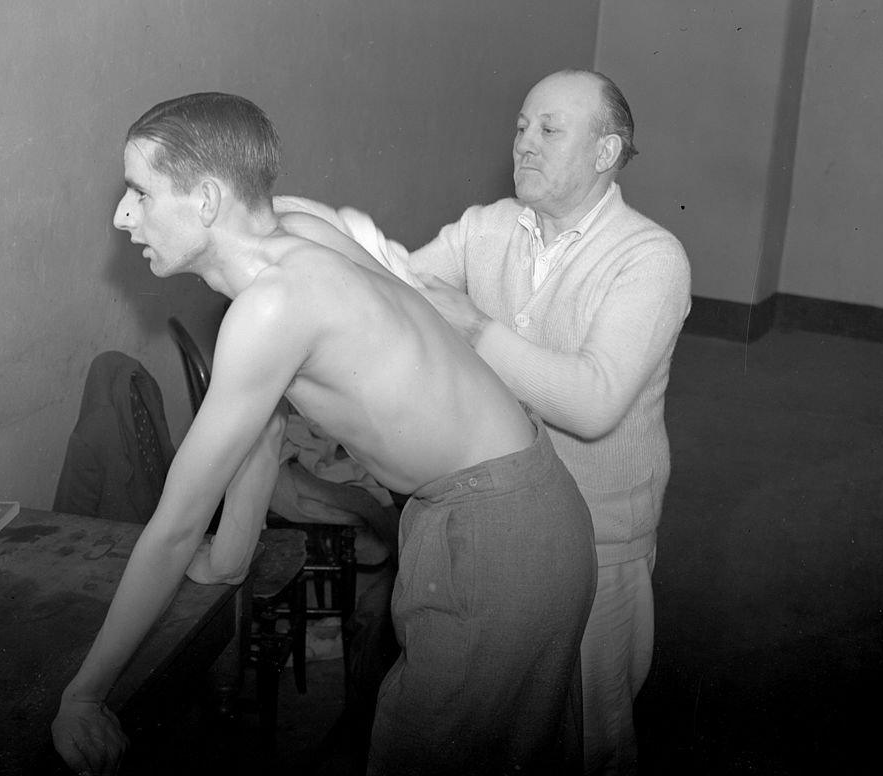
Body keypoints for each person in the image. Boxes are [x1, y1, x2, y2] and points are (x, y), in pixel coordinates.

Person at [50, 92, 597, 776]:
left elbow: (175, 525)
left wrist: (85, 695)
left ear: (209, 200)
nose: (122, 215)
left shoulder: (271, 309)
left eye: (140, 192)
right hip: (526, 504)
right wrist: (231, 556)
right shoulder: (295, 226)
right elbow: (266, 419)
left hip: (496, 534)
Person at [404, 70, 692, 774]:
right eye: (521, 127)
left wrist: (473, 327)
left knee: (593, 734)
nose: (524, 143)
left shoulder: (650, 258)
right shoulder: (487, 226)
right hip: (497, 526)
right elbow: (399, 294)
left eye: (549, 130)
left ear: (604, 152)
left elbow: (593, 402)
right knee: (495, 726)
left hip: (602, 536)